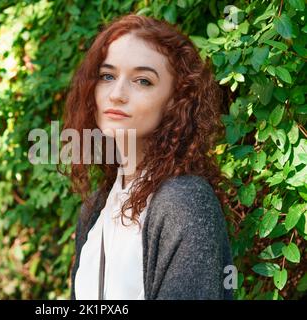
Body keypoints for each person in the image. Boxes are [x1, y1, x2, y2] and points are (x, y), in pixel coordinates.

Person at [60, 14, 234, 300]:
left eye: (142, 81)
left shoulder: (184, 202)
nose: (117, 94)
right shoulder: (95, 210)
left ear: (175, 101)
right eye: (107, 76)